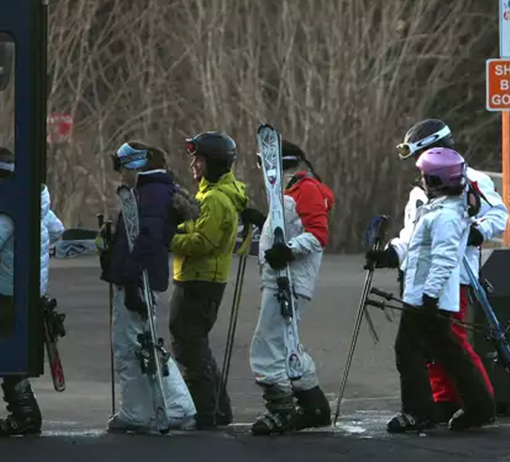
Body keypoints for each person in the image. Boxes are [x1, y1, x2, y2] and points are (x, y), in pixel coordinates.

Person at [368, 119, 508, 423]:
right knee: (434, 345)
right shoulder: (422, 190)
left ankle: (470, 404)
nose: (419, 169)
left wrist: (477, 232)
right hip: (417, 274)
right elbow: (412, 234)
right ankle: (444, 400)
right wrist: (392, 253)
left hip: (452, 273)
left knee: (446, 339)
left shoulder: (470, 181)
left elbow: (498, 215)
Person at [0, 146, 65, 437]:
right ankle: (25, 411)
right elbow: (58, 230)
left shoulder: (8, 215)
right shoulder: (37, 204)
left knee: (7, 351)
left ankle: (24, 413)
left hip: (10, 291)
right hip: (32, 288)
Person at [100, 141, 198, 434]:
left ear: (135, 164)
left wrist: (129, 277)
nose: (120, 175)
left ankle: (139, 412)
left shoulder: (150, 194)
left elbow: (148, 239)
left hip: (138, 280)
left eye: (122, 167)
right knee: (145, 344)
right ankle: (176, 406)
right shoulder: (152, 191)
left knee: (131, 347)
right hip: (141, 278)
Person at [249, 141, 335, 435]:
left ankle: (281, 409)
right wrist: (261, 224)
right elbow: (287, 230)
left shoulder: (306, 189)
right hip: (280, 278)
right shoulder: (290, 192)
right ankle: (313, 405)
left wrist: (288, 250)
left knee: (267, 345)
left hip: (291, 280)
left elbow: (318, 235)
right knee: (286, 344)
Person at [169, 132, 248, 429]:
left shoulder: (215, 199)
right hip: (199, 279)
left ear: (213, 164)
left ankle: (205, 411)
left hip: (199, 281)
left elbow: (204, 241)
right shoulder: (209, 195)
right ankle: (217, 409)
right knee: (195, 345)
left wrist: (170, 239)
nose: (193, 164)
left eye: (198, 159)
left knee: (188, 346)